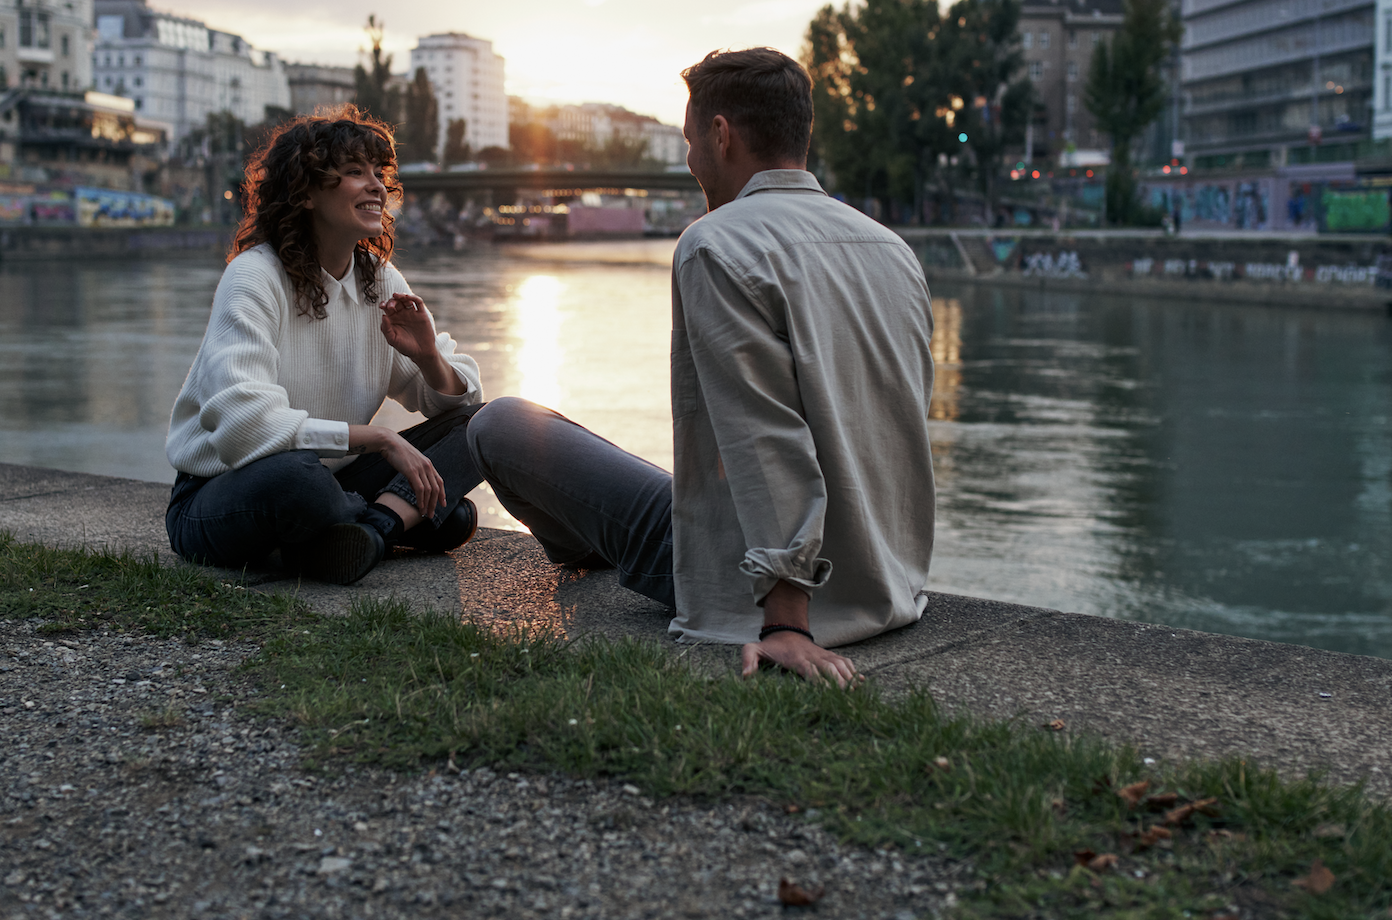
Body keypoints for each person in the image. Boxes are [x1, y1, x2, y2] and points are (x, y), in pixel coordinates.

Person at [467, 47, 935, 684]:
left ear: (721, 135)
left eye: (690, 141)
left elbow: (762, 432)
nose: (689, 162)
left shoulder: (717, 243)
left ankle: (591, 549)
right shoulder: (892, 249)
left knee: (502, 426)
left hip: (756, 581)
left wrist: (786, 621)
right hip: (886, 581)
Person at [165, 108, 484, 585]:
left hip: (334, 478)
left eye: (380, 174)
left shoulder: (380, 281)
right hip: (225, 491)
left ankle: (370, 529)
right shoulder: (254, 277)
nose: (376, 185)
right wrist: (380, 438)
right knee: (303, 482)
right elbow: (244, 427)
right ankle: (387, 517)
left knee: (481, 427)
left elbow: (454, 404)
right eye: (355, 172)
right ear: (306, 192)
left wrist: (428, 358)